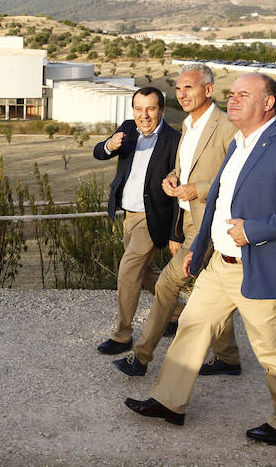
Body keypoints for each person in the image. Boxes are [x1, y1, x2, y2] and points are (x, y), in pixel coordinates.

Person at [125, 73, 276, 446]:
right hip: (220, 264)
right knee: (191, 325)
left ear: (268, 103)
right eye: (232, 94)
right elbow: (217, 202)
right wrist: (199, 249)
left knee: (273, 353)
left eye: (244, 95)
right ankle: (169, 402)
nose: (232, 100)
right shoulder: (238, 143)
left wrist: (253, 230)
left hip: (261, 267)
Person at [113, 64, 240, 377]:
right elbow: (183, 169)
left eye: (190, 88)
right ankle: (228, 357)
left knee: (167, 285)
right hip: (189, 222)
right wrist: (172, 179)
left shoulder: (226, 126)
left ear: (208, 90)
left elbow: (238, 178)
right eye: (179, 88)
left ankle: (141, 356)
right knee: (216, 292)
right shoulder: (188, 126)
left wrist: (197, 189)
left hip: (211, 225)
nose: (182, 94)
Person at [93, 86, 180, 355]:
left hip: (152, 218)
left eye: (151, 108)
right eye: (139, 109)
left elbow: (178, 187)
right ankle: (177, 313)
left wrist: (176, 232)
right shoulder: (128, 129)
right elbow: (99, 152)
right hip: (128, 216)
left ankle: (122, 335)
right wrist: (109, 145)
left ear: (161, 110)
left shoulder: (174, 139)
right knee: (146, 273)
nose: (144, 115)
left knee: (128, 272)